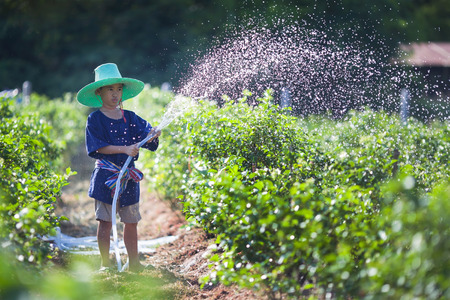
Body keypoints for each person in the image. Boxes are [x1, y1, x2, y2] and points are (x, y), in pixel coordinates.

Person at [77, 63, 161, 272]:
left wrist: (153, 134)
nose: (116, 94)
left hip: (129, 178)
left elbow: (148, 139)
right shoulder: (95, 119)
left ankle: (134, 264)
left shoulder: (130, 117)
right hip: (106, 175)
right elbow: (97, 147)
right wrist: (124, 149)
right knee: (105, 221)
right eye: (110, 89)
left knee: (131, 221)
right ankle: (105, 264)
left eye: (119, 89)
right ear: (99, 92)